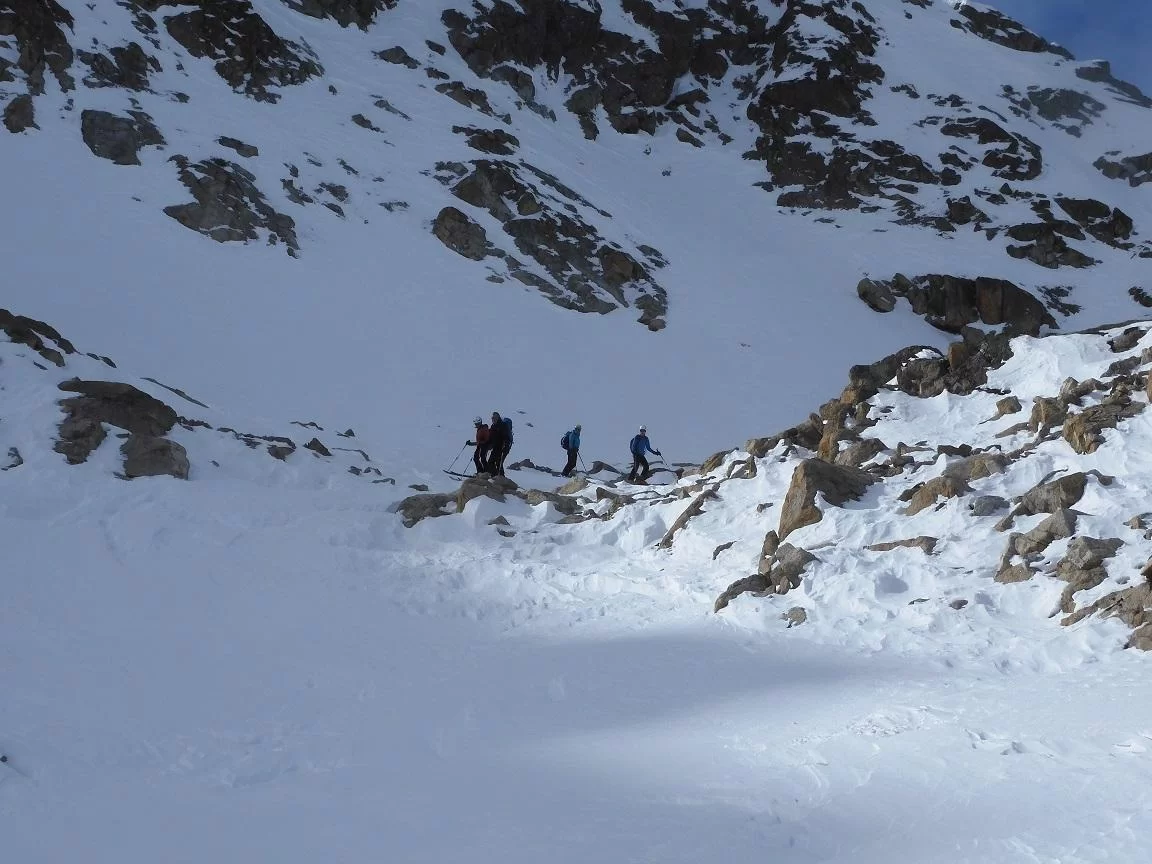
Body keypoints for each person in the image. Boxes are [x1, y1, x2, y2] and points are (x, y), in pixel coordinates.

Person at [487, 411, 509, 476]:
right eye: (492, 418)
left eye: (494, 418)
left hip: (502, 448)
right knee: (491, 462)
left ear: (498, 418)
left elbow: (506, 438)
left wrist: (505, 447)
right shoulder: (493, 426)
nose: (493, 419)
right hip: (495, 448)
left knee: (498, 463)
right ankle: (495, 476)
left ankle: (500, 478)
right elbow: (490, 437)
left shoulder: (503, 425)